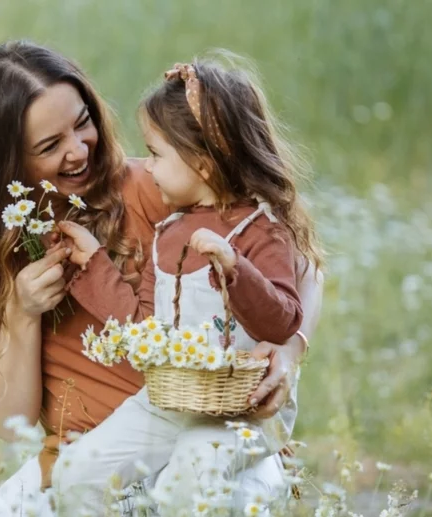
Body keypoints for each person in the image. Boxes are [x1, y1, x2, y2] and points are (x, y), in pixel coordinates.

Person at [0, 40, 323, 515]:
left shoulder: (156, 187)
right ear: (3, 164)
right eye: (50, 145)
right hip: (86, 466)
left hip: (202, 443)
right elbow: (9, 419)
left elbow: (303, 267)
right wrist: (22, 314)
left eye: (83, 123)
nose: (79, 151)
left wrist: (286, 352)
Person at [51, 56, 324, 514]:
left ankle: (261, 480)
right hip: (171, 399)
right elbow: (144, 324)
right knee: (77, 472)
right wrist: (93, 263)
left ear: (201, 163)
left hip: (243, 411)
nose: (149, 168)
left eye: (157, 155)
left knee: (187, 480)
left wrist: (236, 270)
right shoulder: (169, 232)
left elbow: (282, 322)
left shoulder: (262, 231)